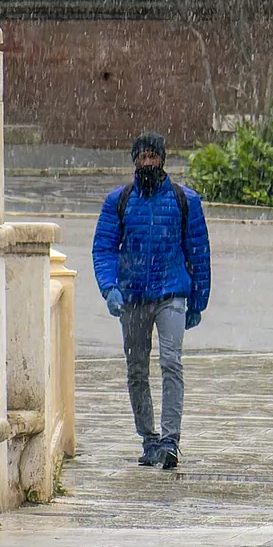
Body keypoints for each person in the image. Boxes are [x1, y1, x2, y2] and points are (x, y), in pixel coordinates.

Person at [91, 131, 211, 470]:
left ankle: (171, 440)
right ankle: (149, 438)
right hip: (131, 297)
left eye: (153, 156)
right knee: (136, 369)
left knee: (171, 362)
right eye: (142, 156)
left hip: (171, 293)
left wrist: (198, 299)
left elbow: (198, 252)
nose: (148, 162)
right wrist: (109, 287)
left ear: (162, 159)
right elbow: (103, 248)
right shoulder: (119, 200)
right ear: (134, 160)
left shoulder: (184, 200)